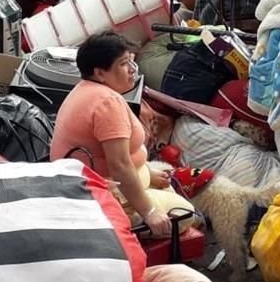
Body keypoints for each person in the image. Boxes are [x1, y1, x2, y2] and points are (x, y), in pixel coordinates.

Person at [50, 32, 195, 238]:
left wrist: (146, 172)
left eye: (131, 62)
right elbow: (119, 167)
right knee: (187, 215)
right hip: (101, 195)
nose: (132, 70)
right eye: (123, 64)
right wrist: (149, 212)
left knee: (167, 186)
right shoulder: (107, 103)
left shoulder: (86, 89)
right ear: (100, 73)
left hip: (92, 183)